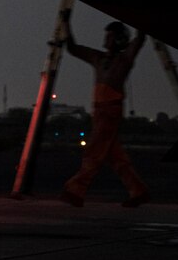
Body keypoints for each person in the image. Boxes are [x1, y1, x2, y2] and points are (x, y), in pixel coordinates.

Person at [60, 20, 151, 208]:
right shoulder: (98, 58)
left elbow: (140, 39)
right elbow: (73, 48)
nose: (106, 39)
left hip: (110, 110)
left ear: (119, 39)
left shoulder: (124, 60)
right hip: (99, 110)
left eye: (110, 36)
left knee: (94, 150)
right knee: (114, 155)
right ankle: (138, 190)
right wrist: (66, 24)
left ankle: (75, 190)